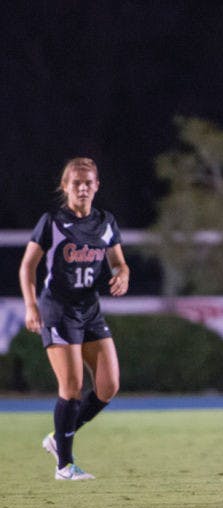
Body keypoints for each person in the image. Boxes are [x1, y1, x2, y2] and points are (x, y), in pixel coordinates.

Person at [19, 157, 130, 481]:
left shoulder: (106, 222)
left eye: (88, 182)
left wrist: (122, 275)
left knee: (108, 387)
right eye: (76, 183)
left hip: (90, 309)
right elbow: (28, 266)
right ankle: (64, 466)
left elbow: (119, 263)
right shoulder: (52, 221)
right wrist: (30, 306)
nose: (82, 187)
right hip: (58, 309)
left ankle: (58, 437)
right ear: (65, 186)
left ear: (96, 186)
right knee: (72, 387)